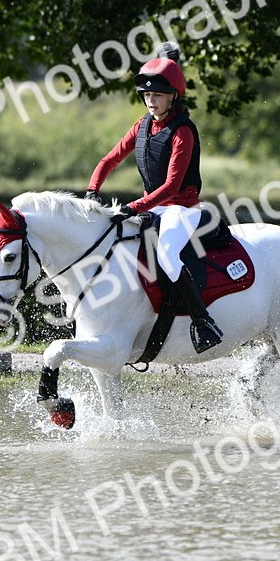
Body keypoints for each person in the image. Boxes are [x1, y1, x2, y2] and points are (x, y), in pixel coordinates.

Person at [85, 42, 224, 354]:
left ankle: (203, 321)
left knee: (166, 257)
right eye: (147, 95)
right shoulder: (142, 125)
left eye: (158, 95)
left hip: (181, 209)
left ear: (173, 96)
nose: (151, 100)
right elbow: (109, 160)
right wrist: (93, 190)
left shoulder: (183, 131)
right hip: (152, 206)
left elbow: (173, 187)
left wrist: (132, 207)